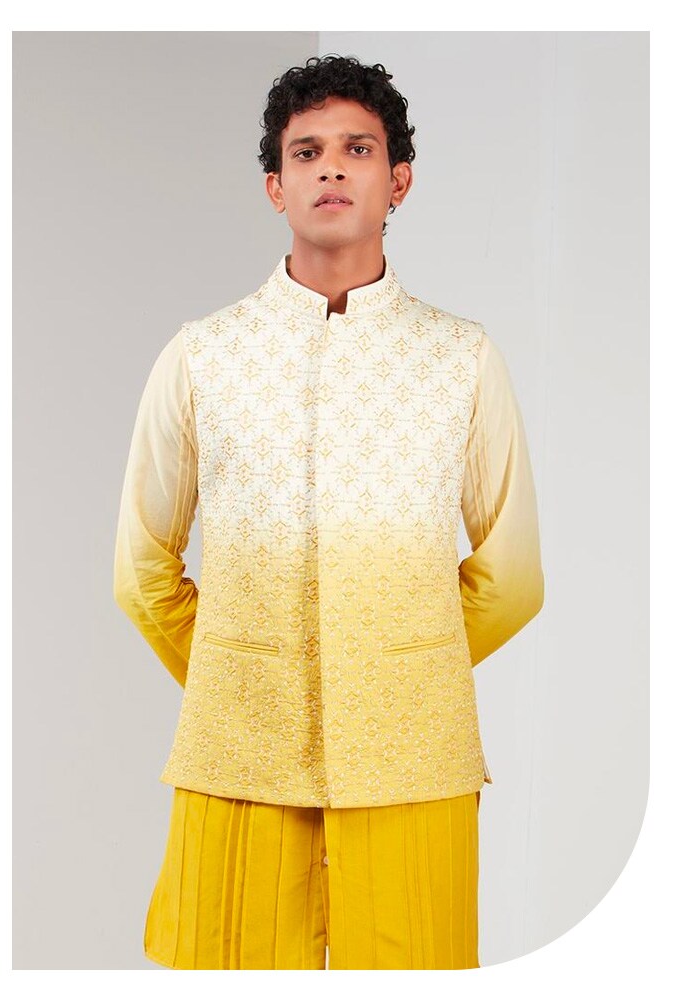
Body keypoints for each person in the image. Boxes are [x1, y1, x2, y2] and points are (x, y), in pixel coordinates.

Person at [113, 53, 545, 970]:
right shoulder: (203, 356)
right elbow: (142, 571)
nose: (332, 169)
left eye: (358, 148)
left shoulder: (461, 358)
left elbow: (512, 579)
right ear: (276, 187)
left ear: (399, 182)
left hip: (413, 764)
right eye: (306, 153)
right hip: (239, 760)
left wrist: (384, 681)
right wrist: (249, 680)